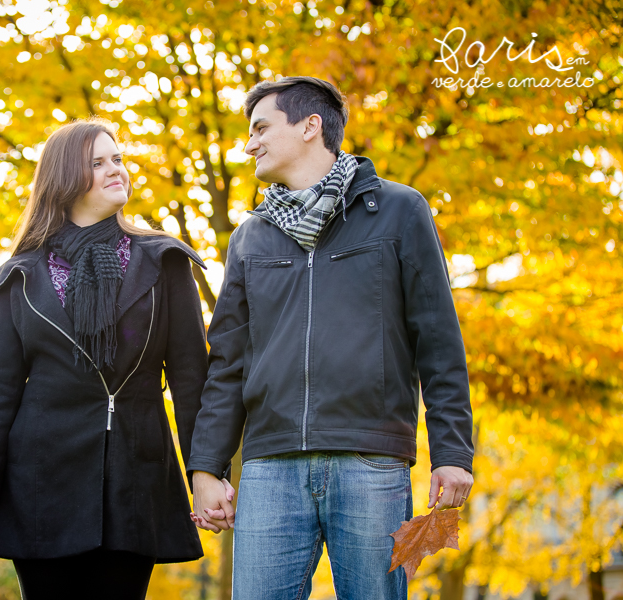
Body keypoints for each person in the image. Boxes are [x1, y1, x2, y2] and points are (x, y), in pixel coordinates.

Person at [187, 76, 475, 599]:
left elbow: (437, 338)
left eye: (260, 127)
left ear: (309, 126)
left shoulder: (400, 210)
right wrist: (206, 467)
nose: (249, 143)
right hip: (269, 466)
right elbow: (227, 361)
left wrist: (452, 450)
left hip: (371, 460)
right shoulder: (249, 237)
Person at [0, 118, 208, 600]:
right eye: (97, 162)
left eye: (118, 159)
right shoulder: (23, 275)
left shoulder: (164, 261)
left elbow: (190, 380)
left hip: (137, 477)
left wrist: (205, 474)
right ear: (65, 178)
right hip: (41, 484)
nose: (115, 170)